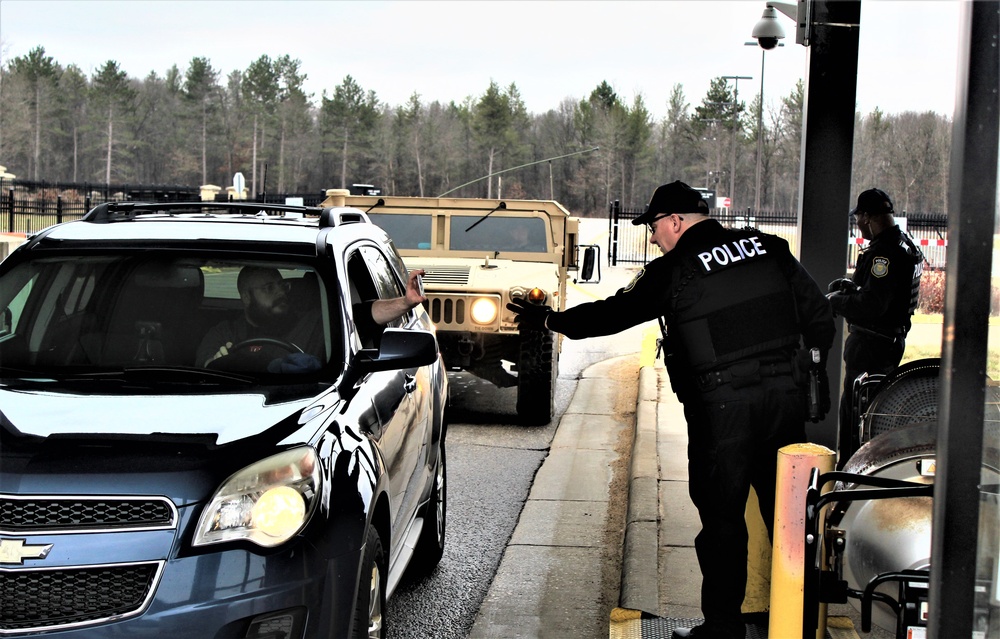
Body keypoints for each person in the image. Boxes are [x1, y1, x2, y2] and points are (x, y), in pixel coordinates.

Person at [507, 181, 835, 639]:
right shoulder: (769, 248)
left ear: (677, 222)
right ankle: (797, 625)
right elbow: (820, 316)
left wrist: (549, 320)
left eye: (656, 227)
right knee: (792, 516)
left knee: (723, 522)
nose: (655, 237)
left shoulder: (677, 269)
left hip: (723, 413)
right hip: (784, 403)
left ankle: (722, 631)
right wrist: (806, 371)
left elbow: (611, 315)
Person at [827, 188, 923, 459]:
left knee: (857, 413)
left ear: (868, 217)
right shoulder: (906, 243)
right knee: (872, 410)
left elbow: (873, 305)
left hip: (872, 345)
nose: (857, 224)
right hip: (889, 341)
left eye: (858, 218)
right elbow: (888, 294)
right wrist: (852, 287)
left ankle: (850, 474)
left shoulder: (886, 253)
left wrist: (835, 302)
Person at [198, 265, 426, 369]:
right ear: (246, 298)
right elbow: (203, 372)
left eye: (281, 285)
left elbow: (365, 315)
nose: (279, 292)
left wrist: (405, 302)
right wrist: (217, 364)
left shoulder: (315, 323)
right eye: (268, 288)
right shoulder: (226, 332)